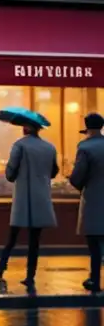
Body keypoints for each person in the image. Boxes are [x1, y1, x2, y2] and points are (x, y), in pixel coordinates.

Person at [0, 122, 58, 287]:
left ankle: (2, 265)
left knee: (13, 235)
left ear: (27, 128)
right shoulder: (50, 147)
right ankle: (30, 275)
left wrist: (16, 174)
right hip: (41, 195)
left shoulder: (19, 145)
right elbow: (54, 171)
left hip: (23, 195)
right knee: (34, 239)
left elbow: (10, 172)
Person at [70, 112, 104, 292]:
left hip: (93, 200)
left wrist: (76, 182)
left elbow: (77, 177)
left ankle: (95, 279)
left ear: (87, 128)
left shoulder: (85, 147)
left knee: (94, 243)